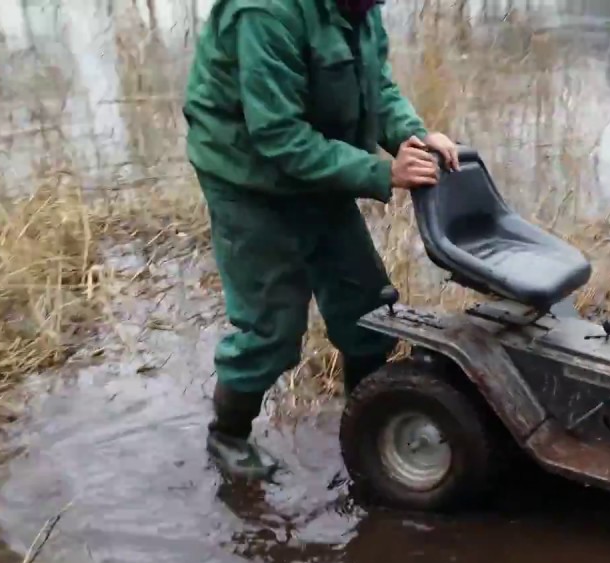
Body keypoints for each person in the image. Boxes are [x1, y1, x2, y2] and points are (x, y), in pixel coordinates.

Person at [182, 0, 459, 482]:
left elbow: (379, 88)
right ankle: (227, 436)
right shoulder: (265, 14)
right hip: (249, 179)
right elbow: (279, 135)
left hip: (320, 165)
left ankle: (368, 425)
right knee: (272, 327)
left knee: (366, 307)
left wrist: (413, 138)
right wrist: (380, 172)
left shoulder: (361, 8)